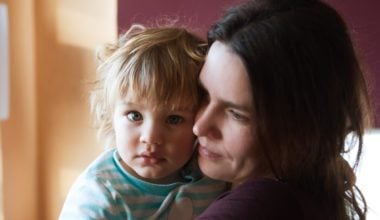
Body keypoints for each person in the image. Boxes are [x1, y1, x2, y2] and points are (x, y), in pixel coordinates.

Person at [193, 0, 372, 219]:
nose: (199, 127)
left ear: (301, 124)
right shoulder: (311, 194)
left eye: (237, 114)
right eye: (204, 94)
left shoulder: (256, 207)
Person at [59, 24, 226, 220]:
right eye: (134, 116)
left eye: (174, 119)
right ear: (111, 115)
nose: (151, 138)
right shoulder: (98, 196)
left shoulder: (212, 174)